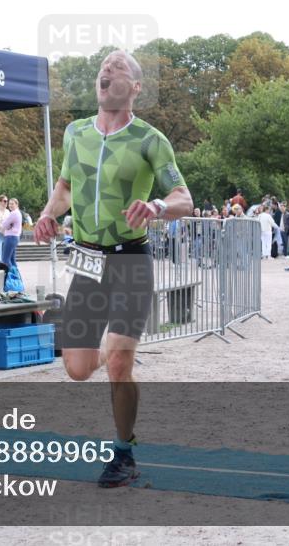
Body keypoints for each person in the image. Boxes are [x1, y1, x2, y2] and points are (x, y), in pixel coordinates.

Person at [33, 49, 192, 488]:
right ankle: (108, 350)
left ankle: (124, 453)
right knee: (78, 369)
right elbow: (65, 186)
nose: (107, 71)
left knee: (121, 364)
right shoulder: (75, 133)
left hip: (130, 259)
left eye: (118, 68)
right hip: (86, 259)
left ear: (135, 87)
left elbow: (184, 198)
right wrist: (49, 213)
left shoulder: (149, 139)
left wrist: (157, 205)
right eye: (104, 67)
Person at [1, 198, 22, 268]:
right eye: (9, 204)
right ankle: (16, 277)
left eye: (12, 204)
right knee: (12, 260)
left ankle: (11, 276)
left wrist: (7, 224)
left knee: (5, 259)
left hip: (10, 237)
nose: (10, 205)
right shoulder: (18, 213)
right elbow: (7, 225)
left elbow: (4, 224)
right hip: (14, 237)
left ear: (17, 204)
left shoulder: (13, 213)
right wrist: (8, 225)